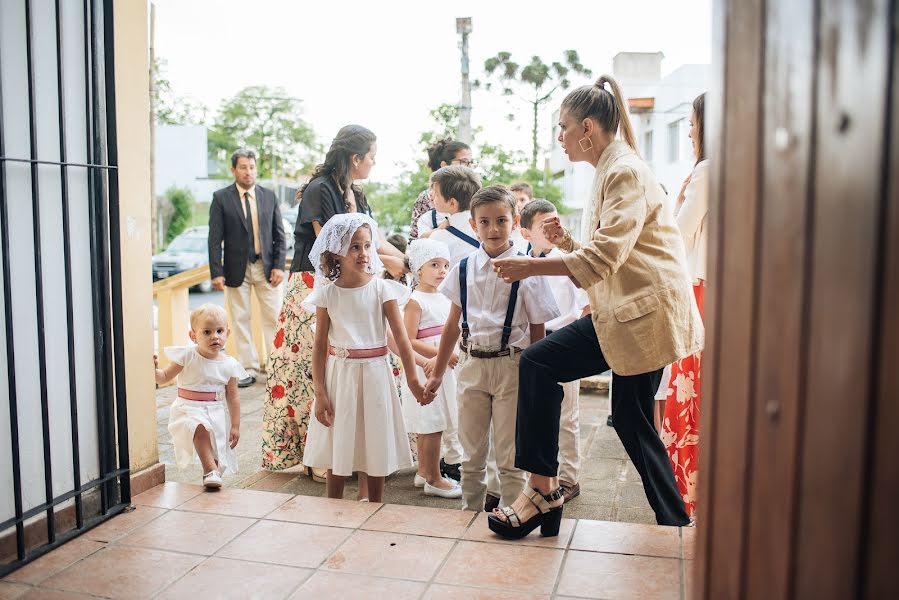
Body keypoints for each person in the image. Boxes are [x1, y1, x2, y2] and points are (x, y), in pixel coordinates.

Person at [489, 74, 703, 538]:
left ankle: (542, 492)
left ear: (587, 127)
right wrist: (570, 244)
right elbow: (617, 250)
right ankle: (675, 521)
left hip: (643, 316)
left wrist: (529, 268)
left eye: (563, 127)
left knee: (540, 364)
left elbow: (606, 257)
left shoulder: (622, 170)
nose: (560, 138)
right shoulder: (612, 167)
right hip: (635, 313)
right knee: (631, 417)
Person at [261, 125, 406, 476]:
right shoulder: (319, 190)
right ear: (356, 158)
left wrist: (404, 260)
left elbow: (373, 239)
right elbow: (328, 246)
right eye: (371, 157)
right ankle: (321, 456)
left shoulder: (356, 192)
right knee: (313, 365)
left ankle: (359, 449)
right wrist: (383, 265)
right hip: (316, 283)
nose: (374, 163)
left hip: (357, 282)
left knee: (372, 360)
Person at [423, 185, 560, 513]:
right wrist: (437, 373)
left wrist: (535, 381)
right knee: (471, 456)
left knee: (510, 457)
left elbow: (538, 328)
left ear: (514, 222)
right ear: (473, 225)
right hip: (471, 365)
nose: (493, 229)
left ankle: (511, 515)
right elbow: (452, 324)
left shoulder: (529, 268)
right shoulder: (463, 268)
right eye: (484, 222)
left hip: (512, 367)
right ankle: (469, 515)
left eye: (501, 220)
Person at [301, 213, 424, 502]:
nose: (363, 253)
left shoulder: (382, 289)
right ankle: (335, 507)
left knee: (374, 442)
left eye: (367, 246)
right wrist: (319, 392)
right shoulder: (328, 295)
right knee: (338, 444)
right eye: (354, 247)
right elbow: (319, 346)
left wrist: (414, 379)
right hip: (340, 376)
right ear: (336, 253)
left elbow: (403, 341)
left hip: (375, 375)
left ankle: (373, 506)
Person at [519, 199, 590, 503]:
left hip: (565, 338)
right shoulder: (518, 263)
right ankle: (534, 476)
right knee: (532, 412)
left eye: (556, 222)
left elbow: (586, 301)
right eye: (544, 225)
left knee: (567, 414)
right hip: (531, 343)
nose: (553, 229)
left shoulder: (570, 259)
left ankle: (569, 476)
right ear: (525, 233)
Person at [661, 92, 709, 518]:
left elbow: (677, 238)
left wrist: (675, 206)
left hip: (700, 291)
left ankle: (687, 500)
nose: (690, 131)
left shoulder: (708, 171)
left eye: (692, 123)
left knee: (690, 394)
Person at [208, 149, 286, 387]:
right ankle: (247, 367)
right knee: (240, 319)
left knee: (273, 316)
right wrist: (216, 272)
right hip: (235, 269)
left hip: (267, 266)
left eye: (251, 167)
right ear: (234, 170)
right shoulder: (221, 198)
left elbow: (279, 235)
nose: (248, 171)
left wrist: (280, 266)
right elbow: (214, 238)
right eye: (243, 167)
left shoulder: (269, 196)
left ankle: (277, 367)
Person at [154, 304, 247, 489]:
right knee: (199, 428)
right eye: (207, 332)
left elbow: (233, 397)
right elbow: (164, 377)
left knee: (215, 444)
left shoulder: (229, 365)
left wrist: (235, 425)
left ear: (227, 333)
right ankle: (209, 471)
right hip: (187, 409)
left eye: (220, 331)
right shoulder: (187, 356)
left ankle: (214, 469)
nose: (215, 336)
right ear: (193, 336)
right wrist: (153, 369)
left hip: (215, 410)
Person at [402, 239, 463, 499]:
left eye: (446, 265)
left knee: (438, 420)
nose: (441, 270)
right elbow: (409, 339)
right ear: (418, 269)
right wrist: (440, 354)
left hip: (445, 368)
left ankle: (425, 471)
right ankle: (433, 478)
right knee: (430, 422)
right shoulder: (415, 300)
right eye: (434, 265)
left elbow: (452, 329)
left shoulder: (446, 297)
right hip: (426, 368)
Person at [410, 139, 474, 240]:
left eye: (471, 162)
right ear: (444, 165)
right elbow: (415, 240)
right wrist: (443, 228)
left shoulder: (475, 193)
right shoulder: (427, 198)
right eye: (464, 162)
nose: (469, 167)